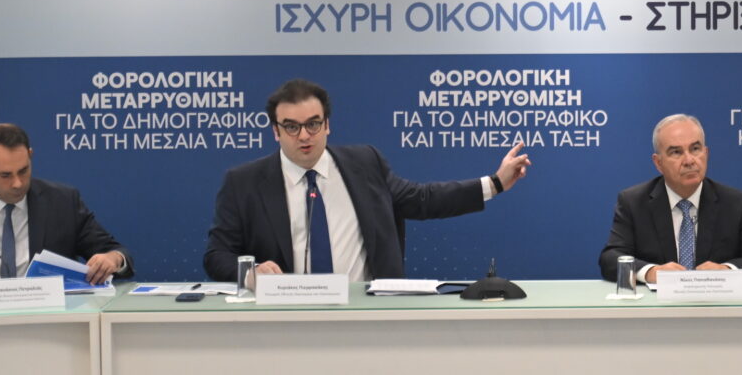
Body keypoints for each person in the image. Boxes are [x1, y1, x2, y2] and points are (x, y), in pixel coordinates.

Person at [203, 78, 531, 281]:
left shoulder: (364, 164)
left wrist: (495, 183)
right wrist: (251, 273)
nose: (304, 135)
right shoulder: (244, 183)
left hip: (366, 317)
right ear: (276, 131)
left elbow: (423, 200)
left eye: (313, 124)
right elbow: (216, 256)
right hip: (283, 321)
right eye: (291, 126)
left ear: (327, 125)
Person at [0, 123, 133, 292]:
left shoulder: (62, 202)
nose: (17, 183)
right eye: (5, 175)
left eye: (23, 170)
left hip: (49, 318)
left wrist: (113, 259)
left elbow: (116, 252)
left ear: (30, 155)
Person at [599, 114, 742, 283]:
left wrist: (726, 270)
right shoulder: (633, 202)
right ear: (658, 163)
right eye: (676, 152)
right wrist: (651, 272)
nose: (689, 160)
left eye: (695, 149)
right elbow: (611, 258)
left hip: (715, 302)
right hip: (657, 302)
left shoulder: (734, 203)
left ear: (706, 153)